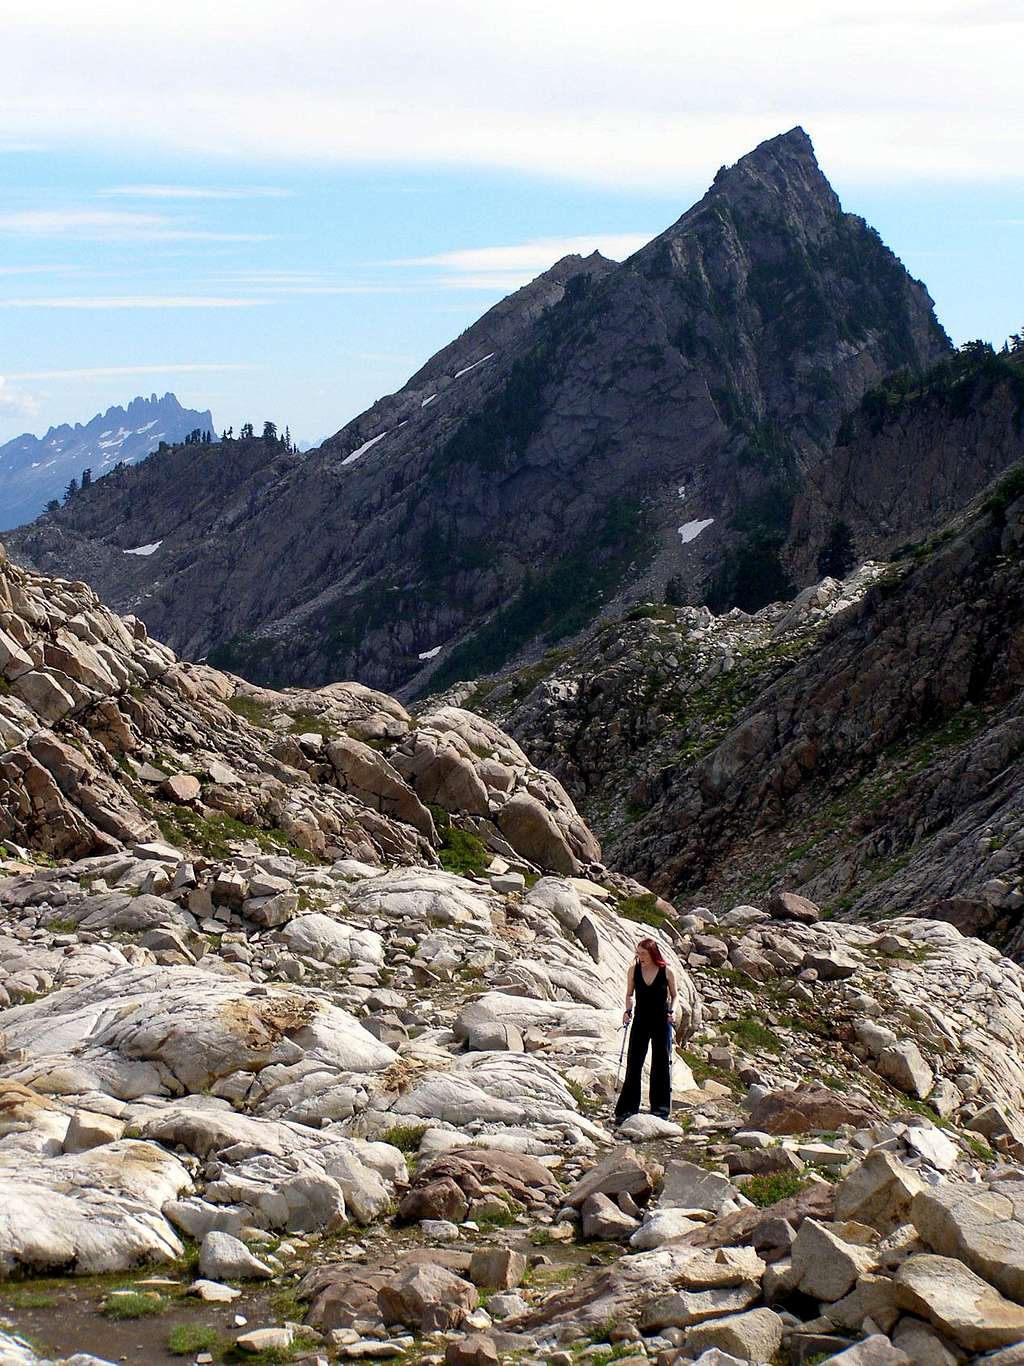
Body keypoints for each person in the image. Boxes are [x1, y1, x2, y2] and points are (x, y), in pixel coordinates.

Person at [614, 937, 677, 1122]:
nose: (639, 956)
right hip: (640, 1020)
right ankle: (626, 1109)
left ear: (652, 953)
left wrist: (672, 1011)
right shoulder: (634, 970)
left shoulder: (667, 971)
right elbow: (629, 994)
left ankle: (660, 1109)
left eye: (643, 953)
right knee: (634, 1063)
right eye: (638, 953)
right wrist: (627, 1010)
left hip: (660, 1021)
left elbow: (674, 996)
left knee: (660, 1062)